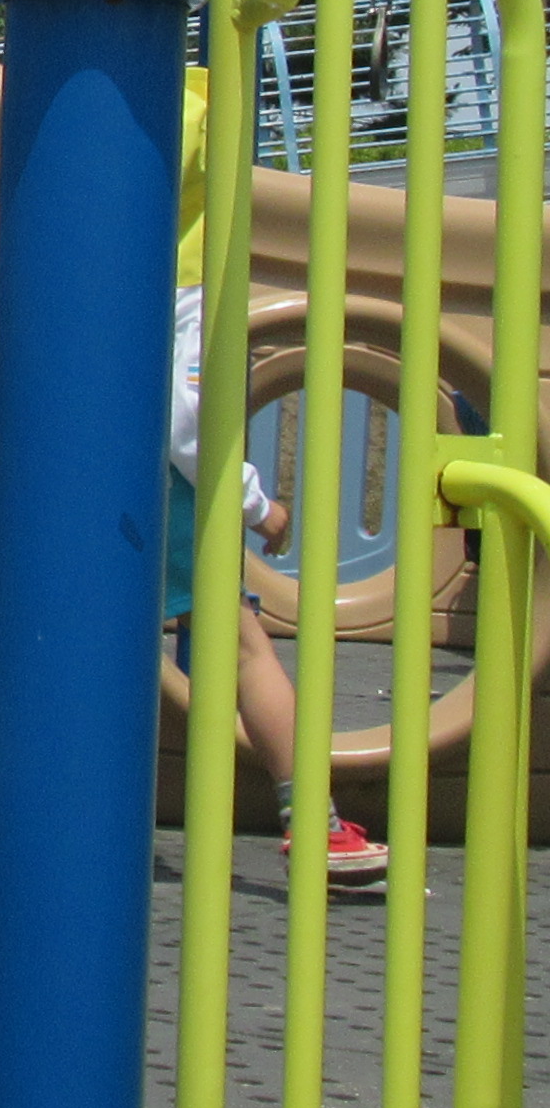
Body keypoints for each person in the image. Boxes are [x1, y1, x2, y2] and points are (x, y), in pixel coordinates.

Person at [167, 68, 387, 882]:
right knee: (243, 648)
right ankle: (312, 819)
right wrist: (257, 505)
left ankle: (13, 809)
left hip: (78, 483)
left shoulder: (85, 273)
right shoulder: (183, 297)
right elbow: (184, 423)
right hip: (166, 499)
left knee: (69, 643)